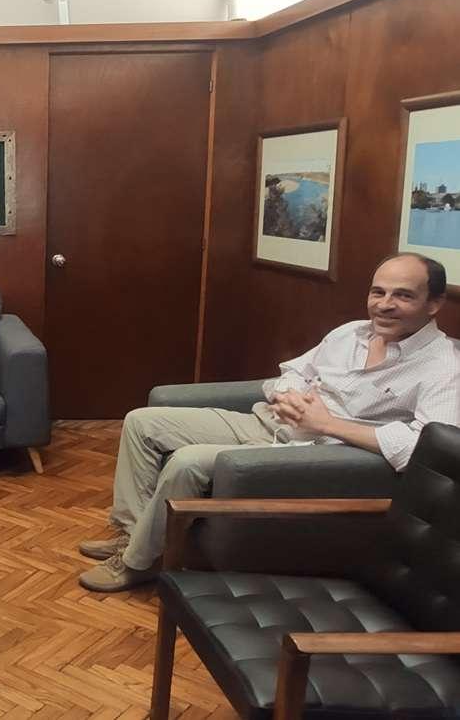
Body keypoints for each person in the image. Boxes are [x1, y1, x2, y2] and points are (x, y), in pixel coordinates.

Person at [78, 253, 460, 592]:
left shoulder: (443, 366)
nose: (385, 305)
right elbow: (293, 371)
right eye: (378, 292)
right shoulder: (351, 333)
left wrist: (328, 424)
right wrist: (288, 395)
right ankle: (134, 535)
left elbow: (427, 450)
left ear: (434, 303)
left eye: (403, 295)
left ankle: (137, 562)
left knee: (187, 461)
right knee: (142, 423)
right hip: (271, 423)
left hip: (314, 451)